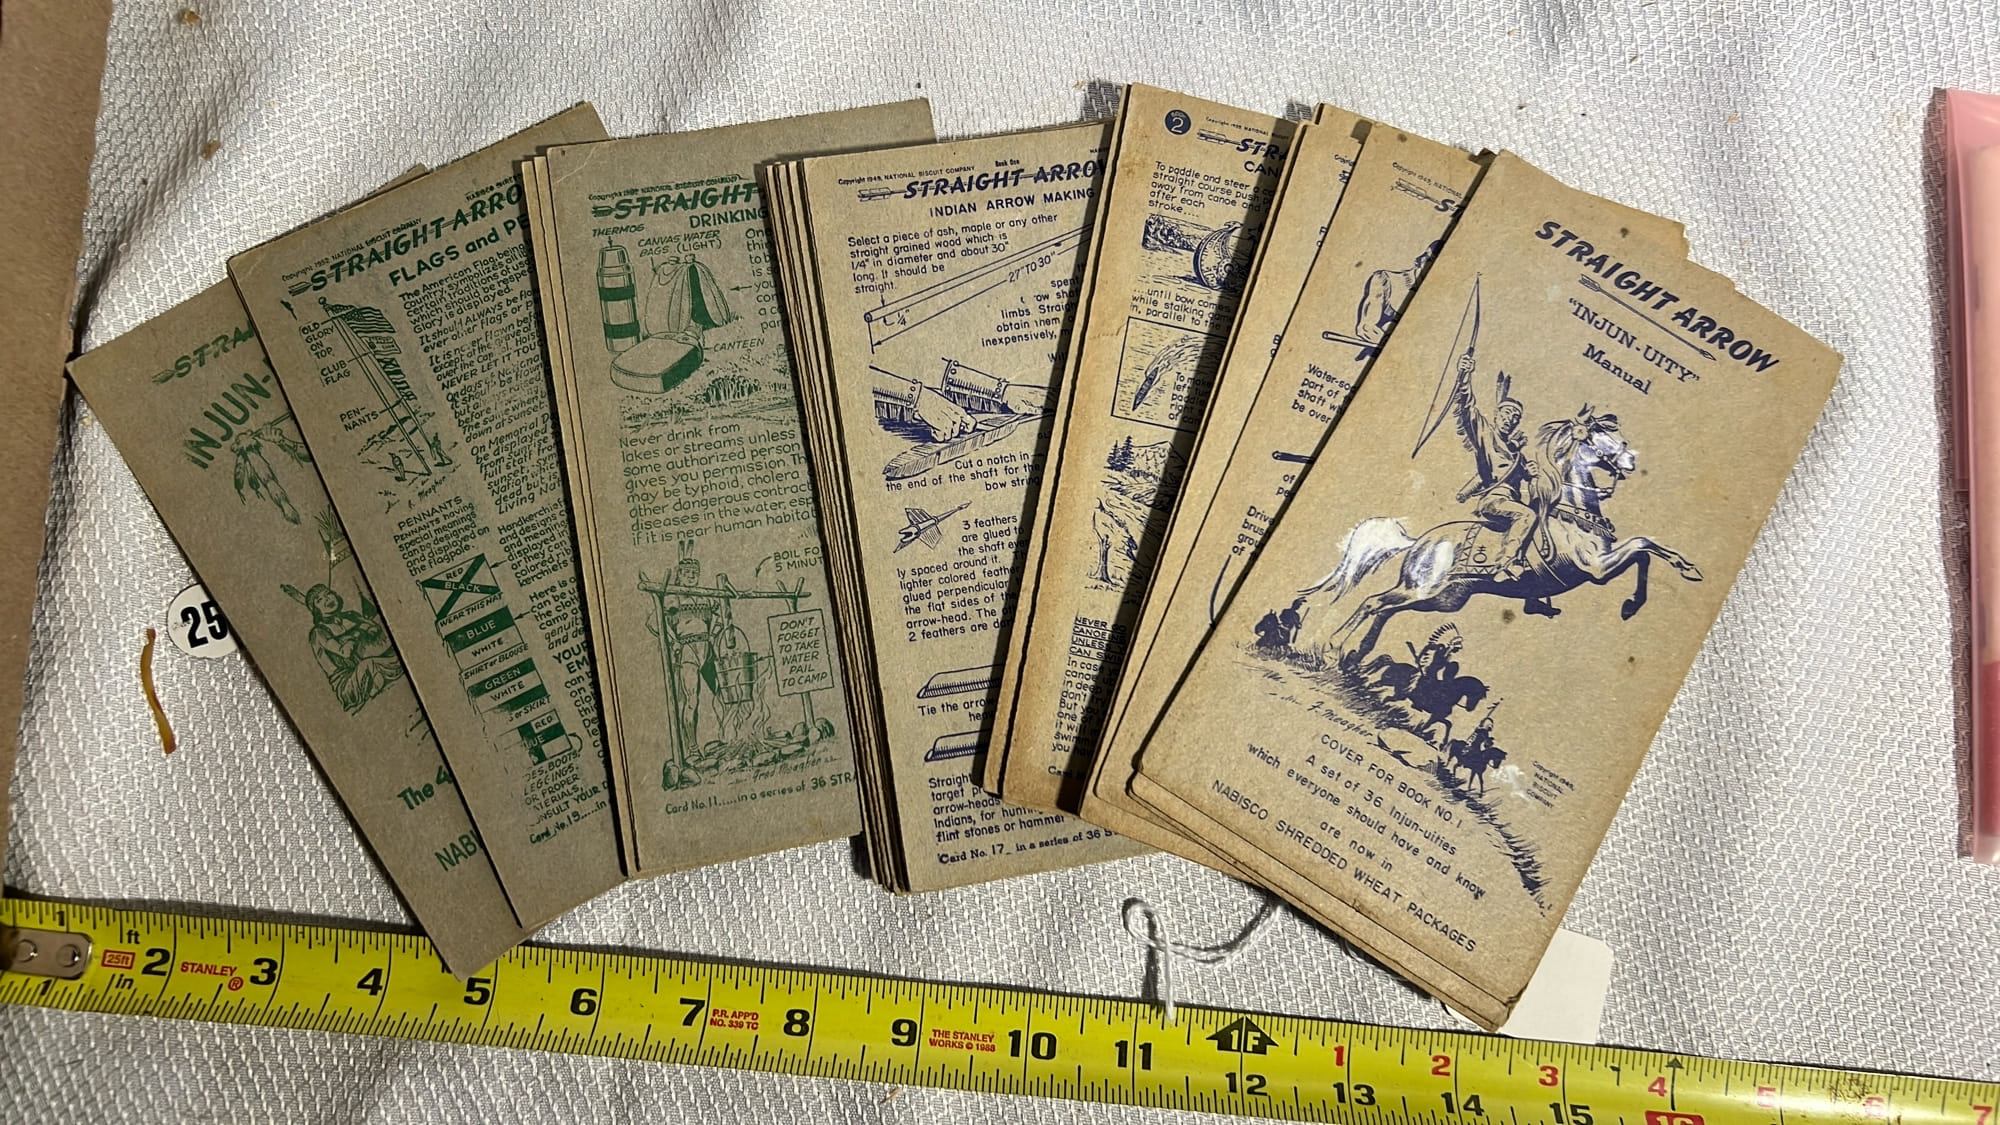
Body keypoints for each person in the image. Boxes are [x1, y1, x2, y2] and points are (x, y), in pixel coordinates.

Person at [301, 583, 402, 713]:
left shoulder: (351, 615)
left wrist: (370, 629)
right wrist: (358, 632)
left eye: (328, 594)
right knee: (371, 665)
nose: (327, 599)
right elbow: (345, 652)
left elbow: (374, 627)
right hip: (347, 681)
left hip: (370, 661)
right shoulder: (319, 632)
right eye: (319, 600)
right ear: (316, 610)